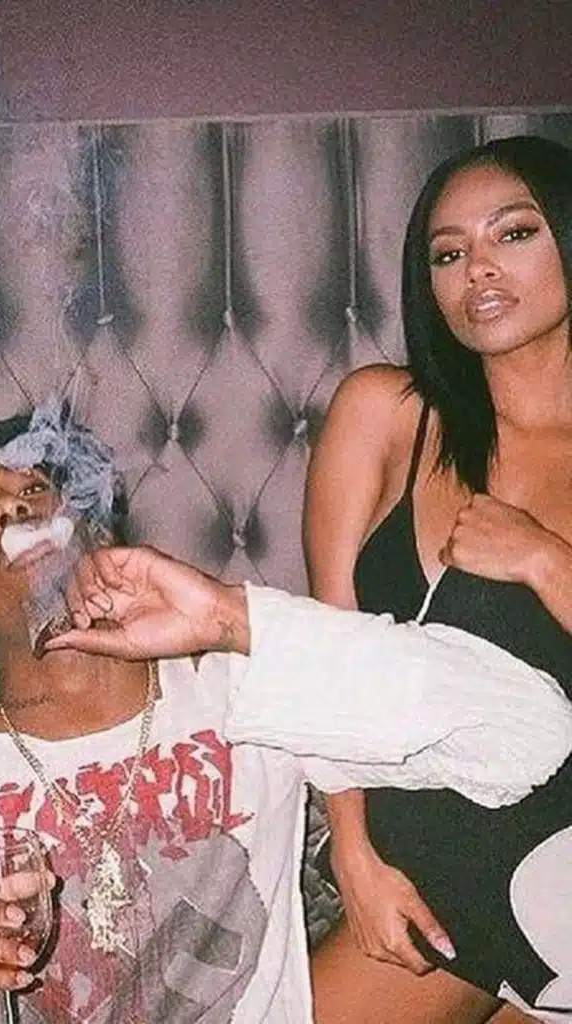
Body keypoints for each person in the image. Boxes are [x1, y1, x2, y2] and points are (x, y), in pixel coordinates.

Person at [0, 412, 572, 1023]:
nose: (14, 506)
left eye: (35, 487)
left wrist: (231, 619)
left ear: (93, 526)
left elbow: (528, 735)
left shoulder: (233, 688)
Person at [305, 134, 572, 1023]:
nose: (477, 270)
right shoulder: (386, 415)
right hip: (426, 893)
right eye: (448, 254)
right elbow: (328, 653)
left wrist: (541, 557)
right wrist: (353, 856)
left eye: (515, 233)